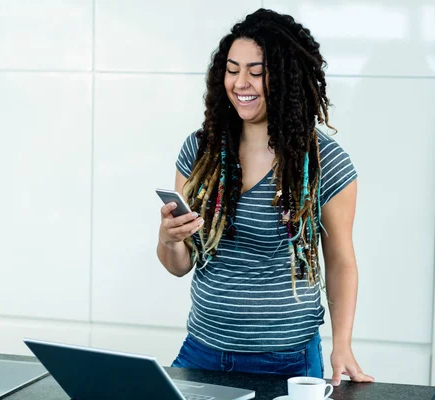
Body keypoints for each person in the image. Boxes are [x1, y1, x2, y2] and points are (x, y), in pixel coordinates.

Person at [156, 8, 374, 386]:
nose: (241, 82)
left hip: (285, 362)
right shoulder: (200, 151)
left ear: (288, 79)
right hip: (202, 350)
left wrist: (342, 345)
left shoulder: (325, 163)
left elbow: (340, 260)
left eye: (256, 72)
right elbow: (179, 265)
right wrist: (168, 238)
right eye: (232, 69)